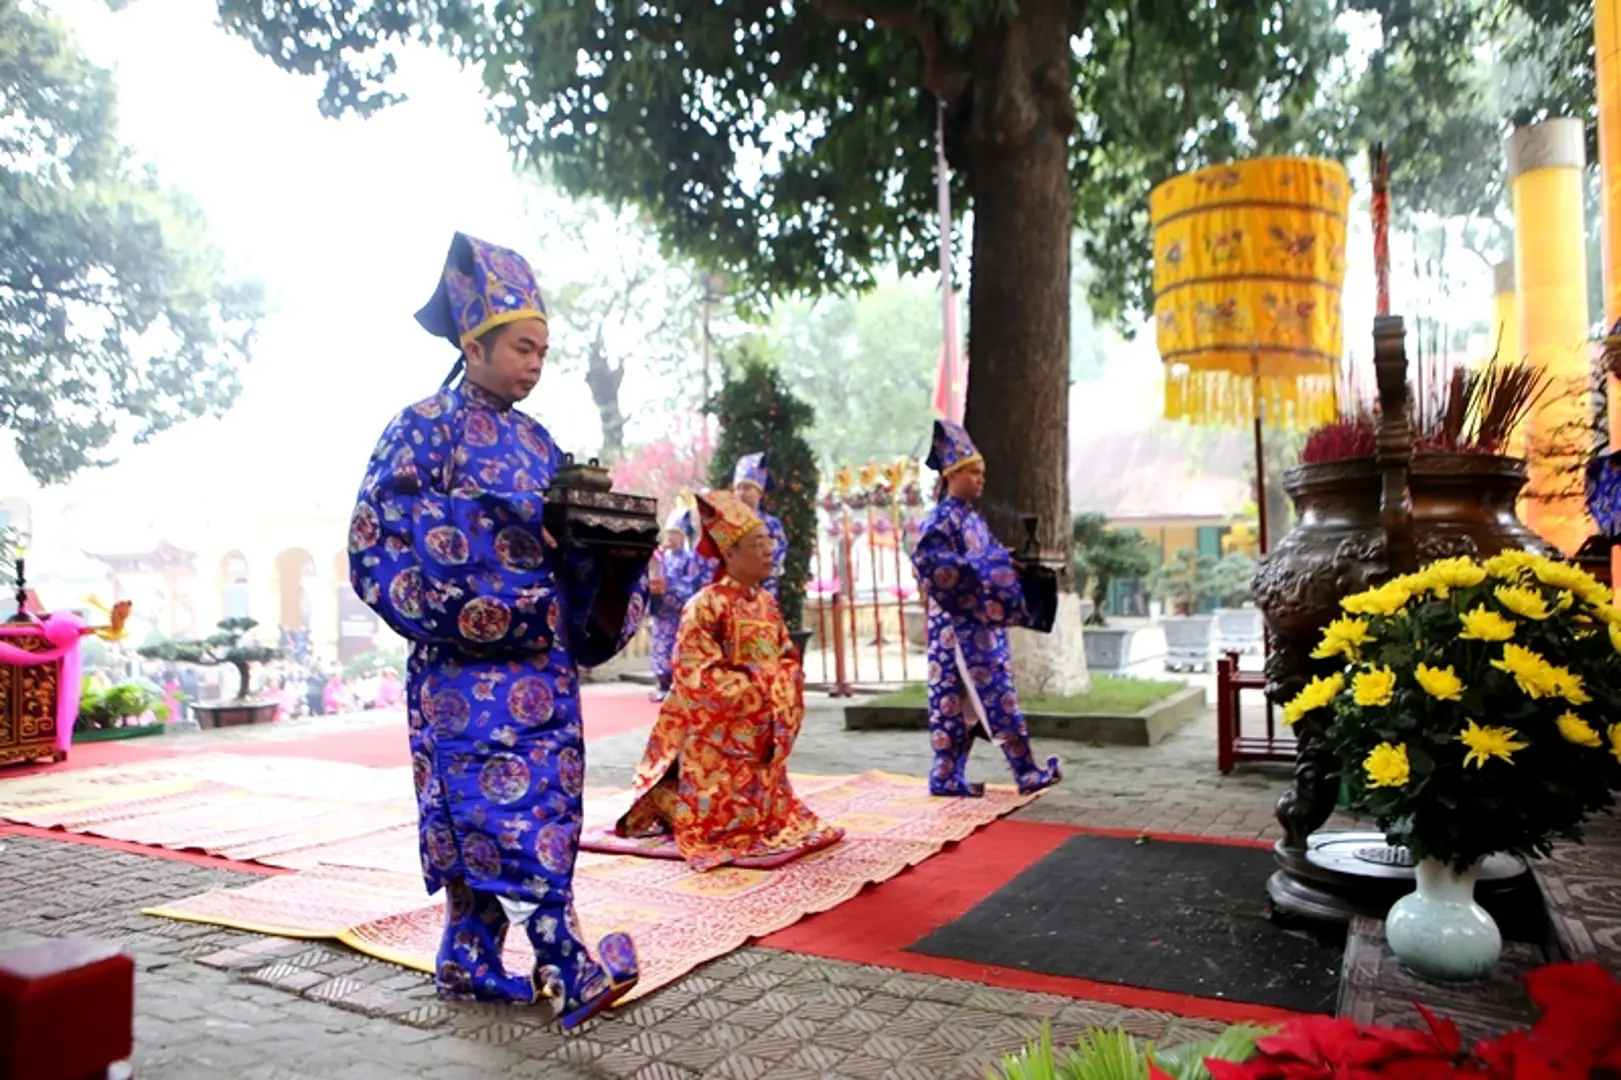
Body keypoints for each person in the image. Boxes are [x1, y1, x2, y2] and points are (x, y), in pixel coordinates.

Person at [348, 232, 645, 1028]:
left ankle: (469, 955)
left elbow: (566, 556)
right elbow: (378, 539)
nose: (534, 364)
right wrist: (485, 599)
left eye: (543, 351)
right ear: (471, 344)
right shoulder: (420, 429)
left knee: (541, 801)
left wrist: (609, 561)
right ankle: (560, 956)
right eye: (522, 347)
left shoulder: (542, 443)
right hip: (461, 674)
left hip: (541, 670)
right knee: (491, 810)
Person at [614, 491, 843, 871]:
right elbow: (696, 675)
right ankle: (670, 799)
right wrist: (761, 693)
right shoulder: (705, 605)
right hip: (719, 733)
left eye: (769, 542)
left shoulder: (767, 604)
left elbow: (787, 657)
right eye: (758, 544)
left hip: (759, 725)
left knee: (771, 816)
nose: (769, 551)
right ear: (731, 554)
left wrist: (779, 689)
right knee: (715, 824)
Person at [911, 419, 1063, 798]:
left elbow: (987, 559)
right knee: (992, 698)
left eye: (982, 473)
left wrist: (1006, 563)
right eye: (974, 473)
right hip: (959, 631)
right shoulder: (941, 519)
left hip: (980, 628)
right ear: (952, 474)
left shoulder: (973, 520)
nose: (981, 480)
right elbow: (932, 565)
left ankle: (947, 776)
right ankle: (1025, 771)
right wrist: (989, 566)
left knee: (963, 706)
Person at [646, 508, 706, 702]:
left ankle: (675, 687)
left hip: (678, 615)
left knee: (676, 650)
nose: (670, 538)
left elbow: (691, 586)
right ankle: (661, 684)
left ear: (682, 537)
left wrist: (669, 583)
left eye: (675, 534)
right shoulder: (661, 557)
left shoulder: (689, 559)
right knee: (659, 649)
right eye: (669, 533)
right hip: (662, 613)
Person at [731, 453, 788, 600]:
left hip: (763, 593)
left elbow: (776, 555)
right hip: (731, 594)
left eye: (748, 488)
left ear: (759, 493)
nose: (742, 493)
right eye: (739, 488)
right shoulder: (726, 523)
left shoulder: (771, 524)